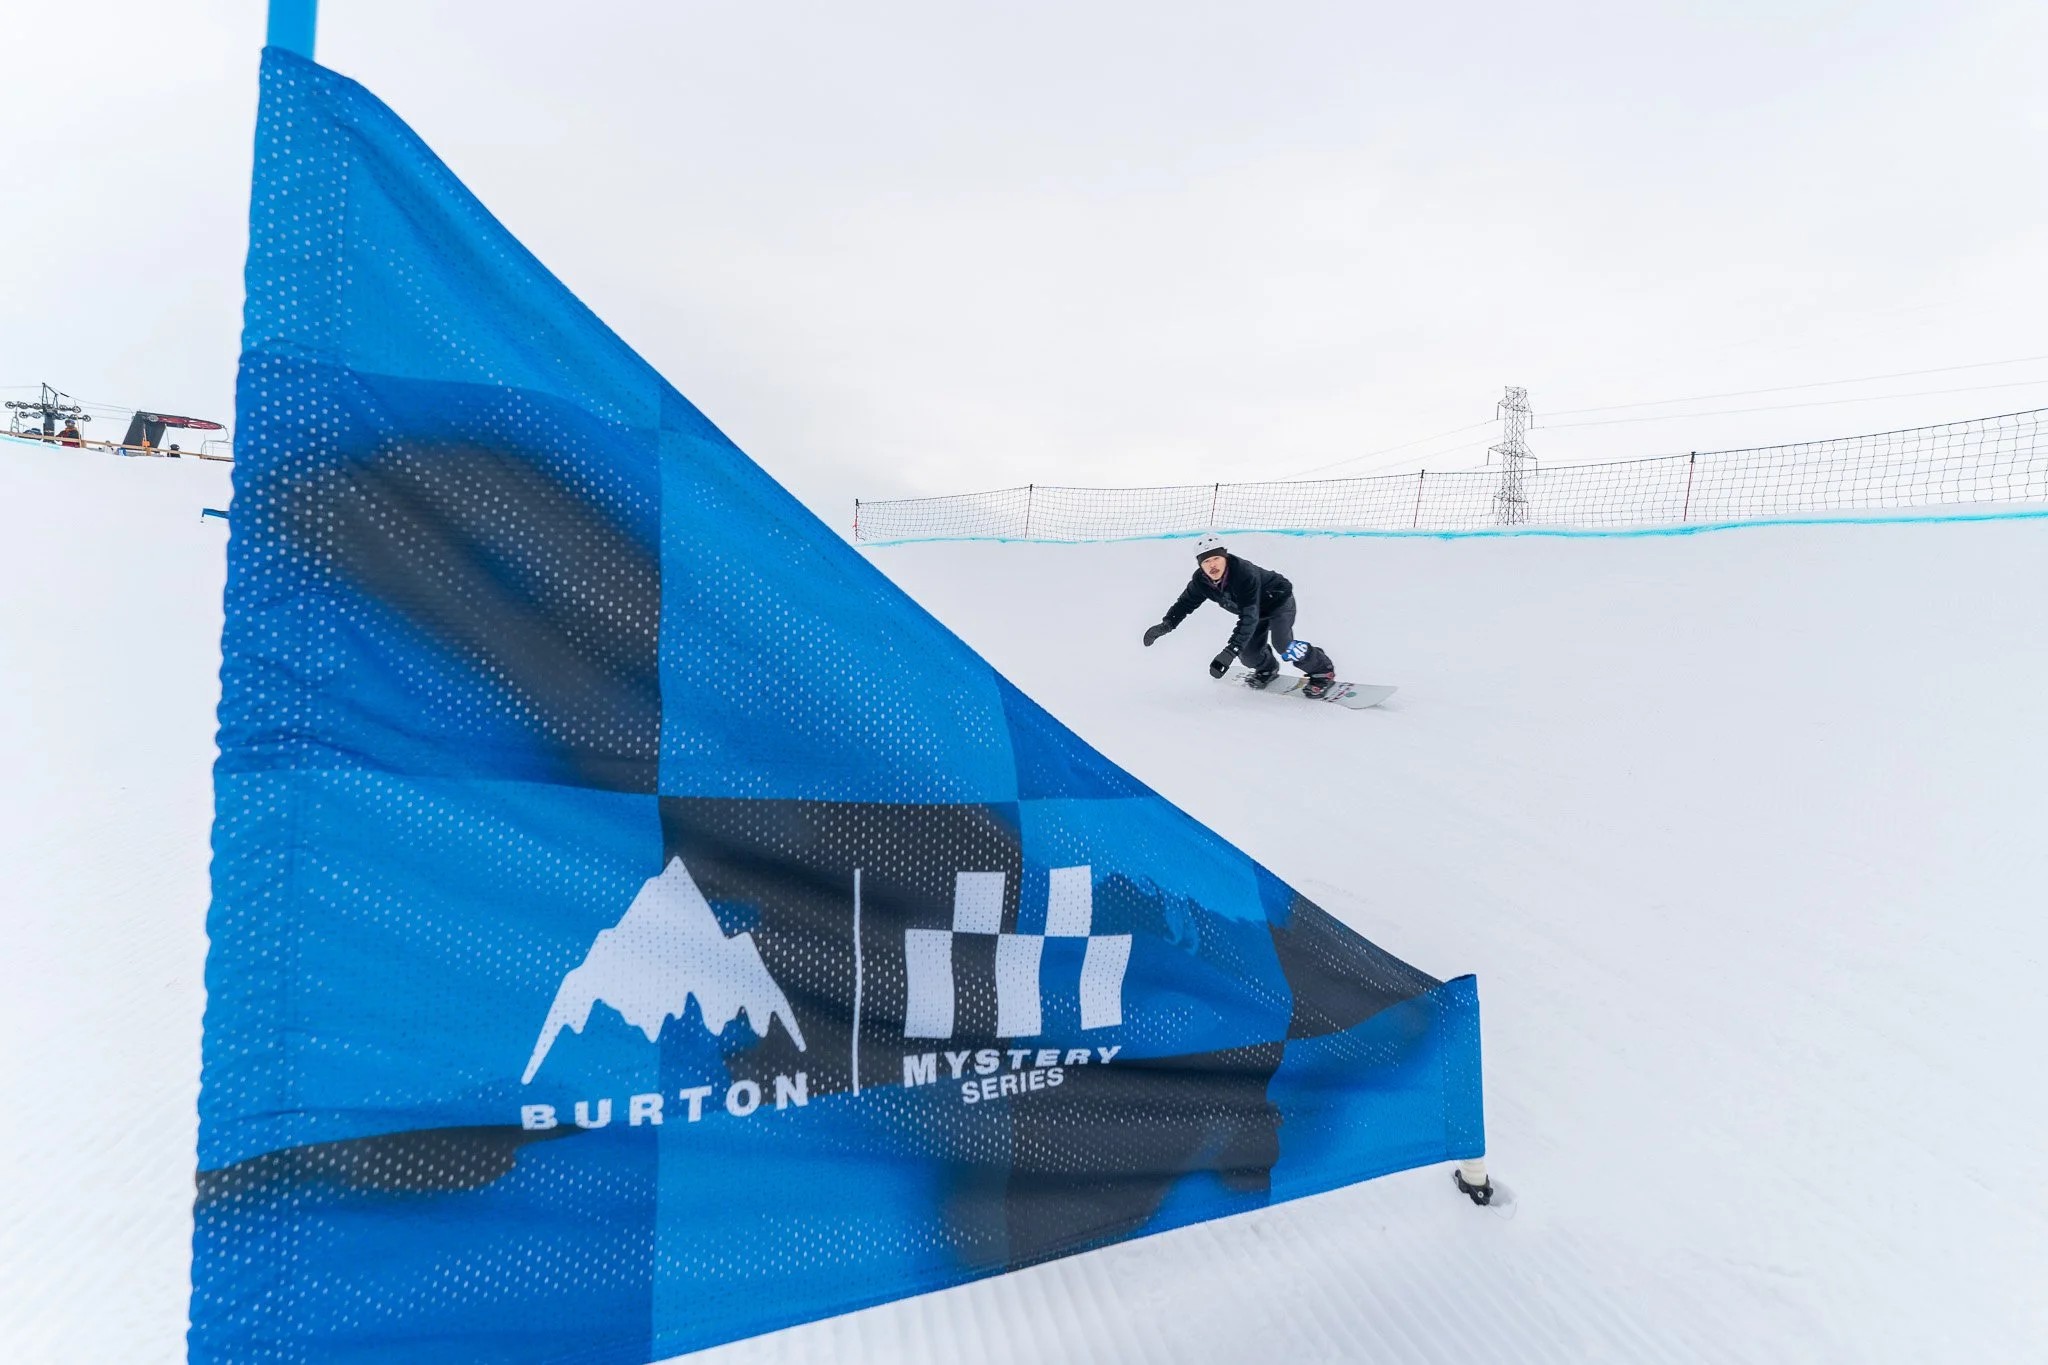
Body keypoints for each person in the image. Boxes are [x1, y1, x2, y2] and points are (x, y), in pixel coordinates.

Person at [1141, 534, 1338, 696]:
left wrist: (1229, 651)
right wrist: (1167, 625)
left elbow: (1248, 618)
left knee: (1284, 645)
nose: (1213, 565)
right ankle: (1268, 668)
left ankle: (1322, 669)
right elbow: (1184, 604)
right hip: (1254, 612)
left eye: (1216, 558)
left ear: (1225, 557)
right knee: (1249, 656)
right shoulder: (1201, 582)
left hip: (1278, 602)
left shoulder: (1244, 574)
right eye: (1207, 561)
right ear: (1200, 565)